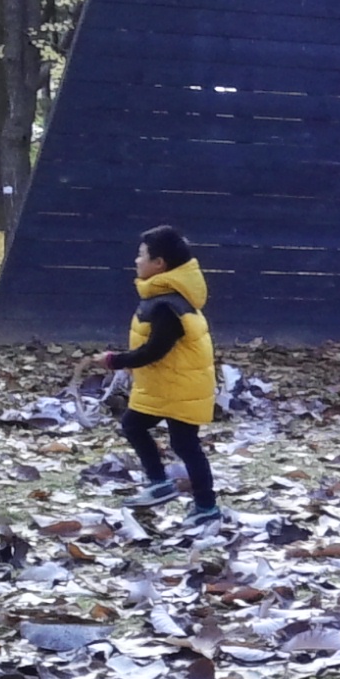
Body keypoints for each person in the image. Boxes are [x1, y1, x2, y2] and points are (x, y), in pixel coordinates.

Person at [88, 224, 227, 531]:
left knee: (182, 442)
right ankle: (165, 486)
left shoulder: (167, 306)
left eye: (141, 255)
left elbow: (154, 351)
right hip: (171, 384)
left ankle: (202, 505)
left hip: (181, 387)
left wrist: (114, 361)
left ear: (159, 263)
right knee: (139, 426)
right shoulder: (168, 297)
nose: (136, 261)